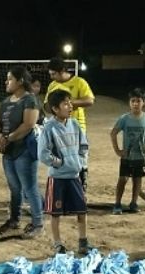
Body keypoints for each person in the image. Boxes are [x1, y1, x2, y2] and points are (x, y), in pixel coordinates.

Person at [39, 89, 90, 255]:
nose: (70, 106)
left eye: (70, 102)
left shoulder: (74, 124)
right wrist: (59, 163)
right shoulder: (49, 128)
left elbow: (84, 145)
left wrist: (80, 163)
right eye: (66, 103)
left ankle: (83, 242)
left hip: (74, 176)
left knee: (82, 210)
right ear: (55, 109)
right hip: (58, 178)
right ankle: (58, 244)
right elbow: (43, 154)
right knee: (56, 213)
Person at [0, 66, 42, 238]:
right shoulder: (6, 101)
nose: (6, 82)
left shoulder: (30, 100)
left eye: (10, 79)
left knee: (29, 188)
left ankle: (38, 224)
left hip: (24, 151)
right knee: (15, 188)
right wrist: (0, 138)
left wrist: (9, 138)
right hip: (8, 152)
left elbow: (28, 124)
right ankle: (15, 219)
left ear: (20, 81)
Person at [45, 57, 94, 190]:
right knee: (61, 158)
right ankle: (63, 190)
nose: (51, 77)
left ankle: (81, 189)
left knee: (80, 159)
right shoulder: (52, 86)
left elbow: (90, 100)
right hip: (58, 129)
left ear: (62, 71)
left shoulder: (79, 82)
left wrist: (67, 104)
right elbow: (47, 105)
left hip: (77, 127)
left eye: (53, 74)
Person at [110, 87, 145, 214]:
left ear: (143, 102)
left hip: (141, 156)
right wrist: (117, 150)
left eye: (138, 101)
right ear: (129, 103)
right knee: (123, 179)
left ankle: (134, 203)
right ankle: (117, 204)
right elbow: (113, 133)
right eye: (133, 101)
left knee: (137, 180)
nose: (135, 104)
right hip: (127, 156)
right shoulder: (124, 118)